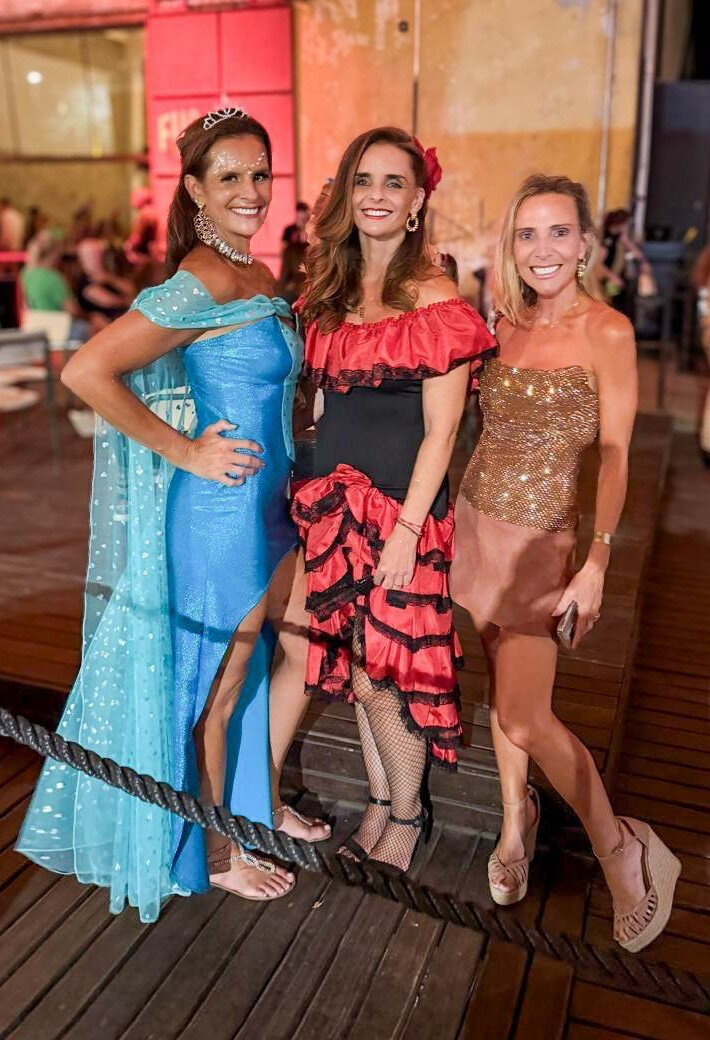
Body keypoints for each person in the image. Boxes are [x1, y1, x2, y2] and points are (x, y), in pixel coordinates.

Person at [16, 107, 327, 922]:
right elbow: (88, 371)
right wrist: (184, 452)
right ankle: (214, 849)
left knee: (257, 666)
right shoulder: (205, 278)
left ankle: (244, 815)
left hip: (269, 504)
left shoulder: (254, 274)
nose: (252, 190)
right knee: (218, 688)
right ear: (194, 188)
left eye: (260, 173)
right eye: (230, 177)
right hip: (223, 511)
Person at [450, 174, 680, 953]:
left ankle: (622, 846)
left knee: (525, 713)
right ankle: (516, 822)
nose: (542, 249)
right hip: (475, 524)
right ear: (510, 246)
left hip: (543, 544)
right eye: (527, 234)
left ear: (585, 243)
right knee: (498, 686)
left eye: (557, 233)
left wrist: (597, 561)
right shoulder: (505, 323)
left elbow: (615, 453)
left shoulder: (606, 330)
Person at [292, 127, 495, 875]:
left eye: (394, 183)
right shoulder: (330, 296)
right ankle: (380, 800)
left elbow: (444, 432)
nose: (376, 195)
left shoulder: (436, 299)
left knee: (388, 670)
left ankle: (410, 812)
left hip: (402, 515)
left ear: (416, 203)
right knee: (354, 664)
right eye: (365, 181)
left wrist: (409, 530)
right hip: (335, 508)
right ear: (348, 193)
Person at [20, 230, 90, 342]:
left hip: (31, 329)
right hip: (55, 331)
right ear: (54, 254)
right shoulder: (54, 278)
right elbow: (72, 310)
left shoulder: (25, 274)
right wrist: (89, 317)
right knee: (84, 327)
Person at [598, 208, 652, 320]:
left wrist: (643, 261)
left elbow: (633, 249)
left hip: (617, 281)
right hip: (607, 281)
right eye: (626, 224)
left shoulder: (619, 237)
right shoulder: (606, 239)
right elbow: (598, 264)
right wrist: (613, 277)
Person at [75, 234, 134, 331]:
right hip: (107, 326)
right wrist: (132, 300)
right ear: (82, 259)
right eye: (91, 256)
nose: (96, 259)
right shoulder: (84, 281)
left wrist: (110, 279)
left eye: (98, 254)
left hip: (125, 319)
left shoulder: (108, 276)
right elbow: (109, 301)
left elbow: (132, 288)